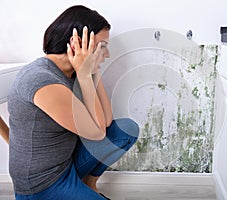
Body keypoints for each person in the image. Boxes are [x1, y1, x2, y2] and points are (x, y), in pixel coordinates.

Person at [6, 5, 139, 200]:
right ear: (77, 42)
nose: (107, 53)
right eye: (102, 46)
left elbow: (107, 122)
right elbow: (97, 133)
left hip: (65, 164)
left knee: (126, 129)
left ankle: (88, 184)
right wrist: (85, 74)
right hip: (43, 185)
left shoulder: (70, 72)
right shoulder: (42, 80)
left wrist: (91, 71)